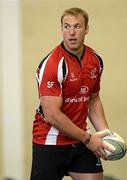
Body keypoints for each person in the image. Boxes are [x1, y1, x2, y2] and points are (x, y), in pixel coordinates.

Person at [30, 7, 113, 180]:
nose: (72, 33)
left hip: (80, 140)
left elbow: (93, 99)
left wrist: (106, 134)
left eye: (77, 26)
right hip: (51, 140)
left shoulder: (95, 60)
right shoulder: (53, 64)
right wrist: (89, 140)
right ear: (61, 29)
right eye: (67, 27)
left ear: (87, 29)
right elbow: (52, 115)